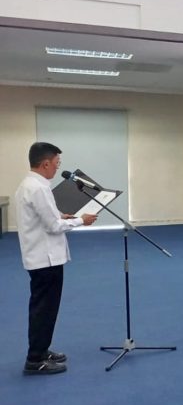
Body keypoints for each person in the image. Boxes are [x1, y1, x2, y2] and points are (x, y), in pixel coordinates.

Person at [15, 142, 98, 375]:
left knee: (46, 308)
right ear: (45, 163)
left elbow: (44, 216)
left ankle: (41, 350)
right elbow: (53, 226)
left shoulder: (30, 185)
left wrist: (62, 216)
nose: (57, 167)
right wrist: (81, 220)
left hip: (41, 256)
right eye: (56, 163)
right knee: (44, 309)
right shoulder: (38, 188)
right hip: (45, 259)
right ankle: (35, 360)